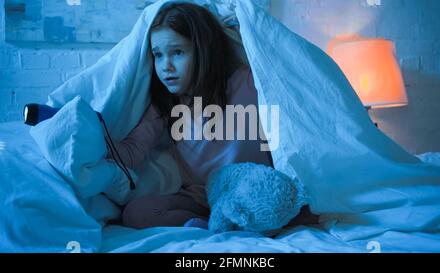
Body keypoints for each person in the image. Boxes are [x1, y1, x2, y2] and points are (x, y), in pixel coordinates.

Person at [113, 2, 316, 229]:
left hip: (252, 190)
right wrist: (93, 135)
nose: (165, 66)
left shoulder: (246, 83)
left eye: (177, 52)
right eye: (158, 55)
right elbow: (132, 152)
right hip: (203, 198)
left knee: (309, 205)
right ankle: (211, 224)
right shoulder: (165, 106)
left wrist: (242, 26)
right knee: (135, 213)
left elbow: (279, 69)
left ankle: (242, 221)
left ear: (202, 50)